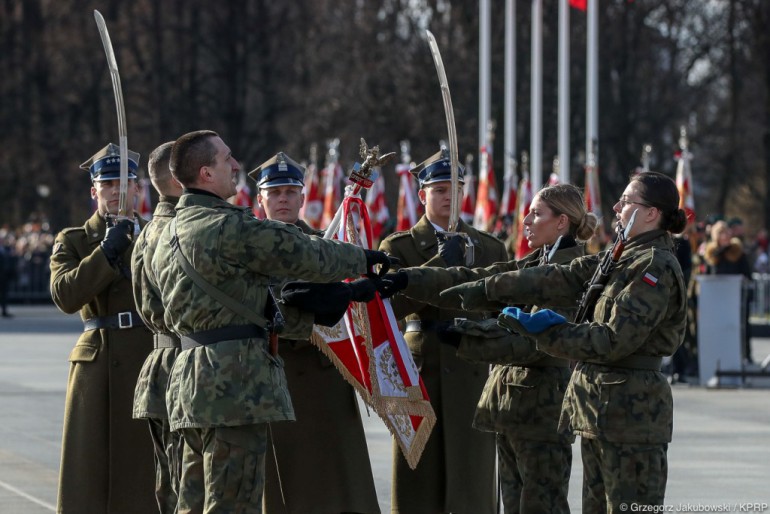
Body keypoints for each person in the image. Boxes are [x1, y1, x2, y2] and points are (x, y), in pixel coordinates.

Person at [150, 130, 392, 513]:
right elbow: (300, 252)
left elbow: (162, 310)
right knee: (233, 502)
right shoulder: (227, 226)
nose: (235, 165)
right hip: (233, 385)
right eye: (226, 158)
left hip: (187, 380)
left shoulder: (164, 233)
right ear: (206, 174)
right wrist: (363, 260)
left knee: (192, 502)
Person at [441, 171, 688, 512]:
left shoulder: (653, 267)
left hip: (633, 418)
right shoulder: (619, 256)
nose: (616, 207)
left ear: (651, 214)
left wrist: (547, 332)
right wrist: (488, 288)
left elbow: (612, 340)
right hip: (597, 410)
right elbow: (560, 276)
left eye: (627, 201)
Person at [374, 183, 597, 512]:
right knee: (513, 503)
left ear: (562, 222)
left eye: (536, 213)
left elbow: (539, 342)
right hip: (509, 407)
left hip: (542, 410)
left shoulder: (570, 271)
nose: (526, 220)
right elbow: (477, 279)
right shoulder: (532, 263)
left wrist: (469, 338)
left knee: (541, 504)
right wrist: (410, 280)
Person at [377, 148, 508, 514]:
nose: (449, 196)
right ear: (422, 196)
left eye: (456, 188)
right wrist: (439, 262)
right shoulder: (398, 246)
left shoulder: (488, 246)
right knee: (418, 475)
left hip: (471, 367)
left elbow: (502, 308)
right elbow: (389, 309)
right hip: (421, 370)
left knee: (473, 477)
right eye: (439, 189)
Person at [249, 152, 380, 514]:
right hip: (273, 374)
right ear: (259, 199)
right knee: (283, 486)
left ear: (303, 198)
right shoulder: (248, 249)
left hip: (326, 375)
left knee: (336, 482)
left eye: (291, 191)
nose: (283, 199)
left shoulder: (328, 245)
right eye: (274, 192)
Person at [49, 143, 156, 513]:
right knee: (89, 465)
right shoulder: (74, 240)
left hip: (149, 353)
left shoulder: (156, 235)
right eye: (107, 183)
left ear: (139, 189)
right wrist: (106, 252)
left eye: (124, 182)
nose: (116, 190)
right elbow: (65, 295)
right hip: (99, 359)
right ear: (93, 191)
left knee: (146, 468)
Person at [131, 141, 184, 514]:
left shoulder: (149, 231)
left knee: (172, 485)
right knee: (190, 488)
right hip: (189, 363)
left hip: (162, 360)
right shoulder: (183, 231)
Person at [704, 220, 753, 362]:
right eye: (721, 233)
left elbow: (747, 275)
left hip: (736, 298)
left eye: (726, 233)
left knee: (741, 326)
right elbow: (707, 276)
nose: (724, 236)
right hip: (718, 299)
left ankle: (745, 354)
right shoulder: (712, 254)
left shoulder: (738, 252)